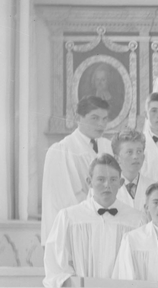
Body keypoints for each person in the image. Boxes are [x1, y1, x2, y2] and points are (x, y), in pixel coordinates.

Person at [44, 154, 143, 287]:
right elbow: (56, 265)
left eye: (113, 179)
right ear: (89, 182)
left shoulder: (137, 220)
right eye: (101, 179)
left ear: (121, 183)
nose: (107, 185)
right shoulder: (69, 217)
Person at [41, 95, 114, 243]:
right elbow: (63, 200)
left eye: (104, 119)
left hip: (106, 228)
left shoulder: (108, 146)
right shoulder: (62, 150)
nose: (101, 124)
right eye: (94, 118)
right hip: (78, 230)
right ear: (78, 117)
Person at [112, 128, 149, 216]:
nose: (135, 156)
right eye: (129, 152)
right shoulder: (107, 188)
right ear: (117, 158)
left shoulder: (154, 187)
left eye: (139, 151)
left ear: (143, 157)